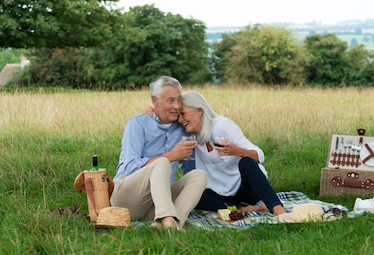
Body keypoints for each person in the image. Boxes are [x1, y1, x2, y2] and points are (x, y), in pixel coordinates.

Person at [111, 76, 207, 230]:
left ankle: (173, 224)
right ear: (155, 101)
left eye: (179, 100)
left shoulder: (181, 128)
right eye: (170, 101)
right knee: (162, 162)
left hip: (155, 204)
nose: (176, 106)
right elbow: (128, 167)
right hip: (126, 199)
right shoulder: (137, 124)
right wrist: (171, 156)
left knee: (199, 175)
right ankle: (167, 218)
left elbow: (191, 168)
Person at [178, 90, 285, 216]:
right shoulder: (187, 136)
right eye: (178, 116)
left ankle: (279, 210)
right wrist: (151, 115)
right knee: (190, 193)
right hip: (220, 195)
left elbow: (259, 155)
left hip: (246, 189)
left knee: (247, 162)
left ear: (199, 111)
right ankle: (243, 209)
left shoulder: (222, 125)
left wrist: (237, 151)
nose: (180, 120)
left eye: (183, 114)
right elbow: (165, 126)